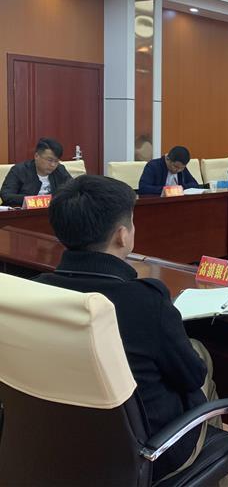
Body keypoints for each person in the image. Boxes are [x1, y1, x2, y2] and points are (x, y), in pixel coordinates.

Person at [35, 175, 216, 482]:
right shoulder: (146, 301)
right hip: (146, 454)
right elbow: (191, 377)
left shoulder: (38, 292)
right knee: (202, 363)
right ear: (122, 235)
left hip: (58, 443)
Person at [0, 137, 72, 206]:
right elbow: (6, 195)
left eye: (56, 161)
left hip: (53, 211)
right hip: (24, 212)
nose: (53, 165)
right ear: (36, 156)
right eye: (50, 160)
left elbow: (73, 189)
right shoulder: (19, 170)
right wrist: (33, 200)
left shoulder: (60, 170)